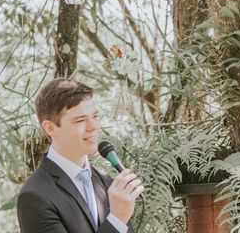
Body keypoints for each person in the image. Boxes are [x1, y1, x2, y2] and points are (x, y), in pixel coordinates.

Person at [17, 78, 145, 233]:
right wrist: (116, 219)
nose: (93, 127)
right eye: (80, 121)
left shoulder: (107, 183)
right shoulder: (35, 196)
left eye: (95, 117)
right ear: (50, 128)